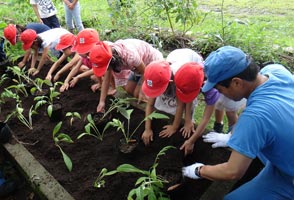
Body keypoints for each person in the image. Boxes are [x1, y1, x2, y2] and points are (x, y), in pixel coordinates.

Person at [182, 46, 294, 199]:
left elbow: (232, 172)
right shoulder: (276, 71)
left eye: (219, 89)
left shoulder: (255, 118)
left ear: (236, 82)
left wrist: (199, 170)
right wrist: (234, 136)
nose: (219, 93)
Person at [140, 48, 206, 145]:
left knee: (187, 98)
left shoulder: (180, 79)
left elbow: (181, 105)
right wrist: (147, 129)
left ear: (170, 82)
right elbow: (150, 104)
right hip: (176, 58)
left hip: (191, 68)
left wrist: (175, 127)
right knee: (163, 104)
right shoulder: (156, 74)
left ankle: (190, 120)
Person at [89, 39, 164, 113]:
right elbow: (106, 79)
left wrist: (142, 90)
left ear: (112, 61)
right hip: (136, 68)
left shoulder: (130, 56)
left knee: (138, 94)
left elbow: (144, 71)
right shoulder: (106, 53)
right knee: (129, 90)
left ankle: (158, 97)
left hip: (151, 64)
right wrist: (101, 102)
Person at [59, 28, 102, 92]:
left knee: (93, 77)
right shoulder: (84, 56)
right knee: (91, 75)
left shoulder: (98, 54)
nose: (78, 52)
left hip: (108, 73)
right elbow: (76, 68)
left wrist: (78, 76)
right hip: (99, 72)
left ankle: (106, 85)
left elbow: (96, 69)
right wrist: (66, 81)